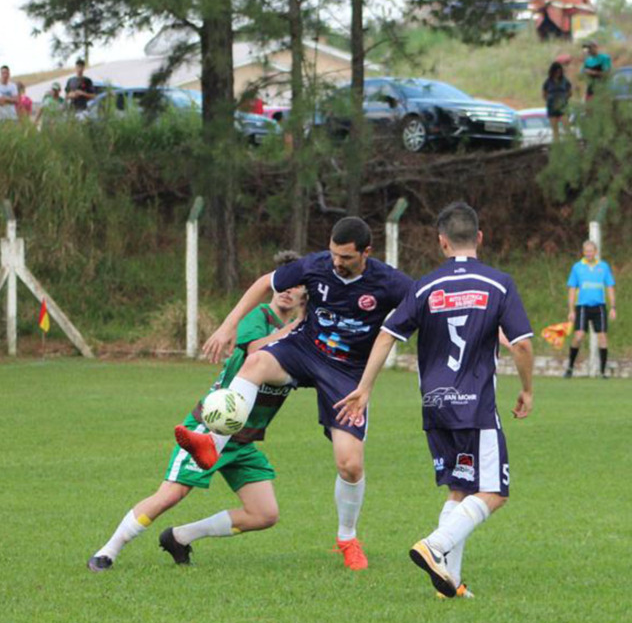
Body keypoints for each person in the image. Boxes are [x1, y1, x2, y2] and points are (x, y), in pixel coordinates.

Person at [175, 218, 413, 571]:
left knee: (350, 464)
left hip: (347, 372)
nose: (337, 262)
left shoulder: (390, 282)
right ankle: (213, 443)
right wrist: (228, 326)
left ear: (366, 252)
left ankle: (347, 538)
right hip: (304, 349)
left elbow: (427, 307)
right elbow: (263, 284)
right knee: (255, 364)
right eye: (333, 253)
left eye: (345, 257)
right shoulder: (316, 265)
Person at [335, 202, 534, 598]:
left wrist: (366, 386)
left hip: (436, 405)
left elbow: (387, 334)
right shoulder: (498, 283)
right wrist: (527, 389)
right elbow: (523, 345)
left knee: (459, 490)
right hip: (476, 407)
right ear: (479, 237)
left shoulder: (424, 286)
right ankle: (435, 545)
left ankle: (449, 582)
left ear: (441, 241)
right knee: (494, 493)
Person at [88, 281, 306, 571]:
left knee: (264, 514)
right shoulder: (261, 316)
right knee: (171, 494)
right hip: (212, 428)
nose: (287, 291)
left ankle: (180, 537)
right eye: (284, 286)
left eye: (297, 287)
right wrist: (298, 325)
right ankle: (107, 552)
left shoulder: (305, 337)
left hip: (244, 439)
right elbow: (256, 351)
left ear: (307, 296)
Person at [565, 239, 617, 378]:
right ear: (583, 252)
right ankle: (570, 367)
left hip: (599, 306)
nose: (588, 253)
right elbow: (572, 289)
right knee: (579, 336)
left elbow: (610, 287)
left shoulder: (603, 267)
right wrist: (571, 310)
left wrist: (613, 307)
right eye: (586, 251)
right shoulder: (577, 267)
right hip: (582, 306)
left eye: (591, 251)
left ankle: (602, 371)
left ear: (595, 252)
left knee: (603, 337)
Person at [542, 61, 572, 141]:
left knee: (567, 127)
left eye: (559, 71)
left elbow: (570, 92)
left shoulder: (565, 81)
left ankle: (569, 144)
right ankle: (557, 145)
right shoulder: (548, 82)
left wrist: (564, 99)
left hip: (563, 106)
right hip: (552, 106)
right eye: (556, 72)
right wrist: (549, 100)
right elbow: (544, 94)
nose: (558, 73)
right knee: (555, 130)